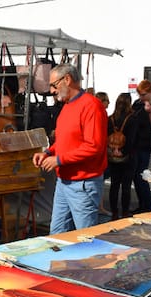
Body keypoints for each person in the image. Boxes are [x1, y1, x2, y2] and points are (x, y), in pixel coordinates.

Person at [32, 63, 108, 234]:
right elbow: (66, 141)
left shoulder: (91, 106)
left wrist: (58, 159)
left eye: (54, 85)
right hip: (64, 182)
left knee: (85, 237)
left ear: (67, 79)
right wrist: (48, 152)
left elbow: (94, 146)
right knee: (57, 236)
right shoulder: (67, 107)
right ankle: (60, 262)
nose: (52, 90)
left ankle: (88, 262)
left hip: (83, 183)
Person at [129, 80, 151, 213]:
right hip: (133, 143)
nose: (141, 97)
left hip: (144, 144)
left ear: (150, 92)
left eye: (143, 95)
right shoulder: (137, 104)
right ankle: (142, 204)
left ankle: (147, 205)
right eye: (139, 95)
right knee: (134, 176)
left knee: (141, 175)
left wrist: (150, 113)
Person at [106, 93, 136, 219]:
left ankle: (114, 212)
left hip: (113, 157)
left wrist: (113, 150)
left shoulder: (111, 118)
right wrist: (123, 151)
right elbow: (132, 140)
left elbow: (106, 137)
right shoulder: (132, 118)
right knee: (126, 187)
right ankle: (124, 212)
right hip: (127, 158)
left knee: (114, 186)